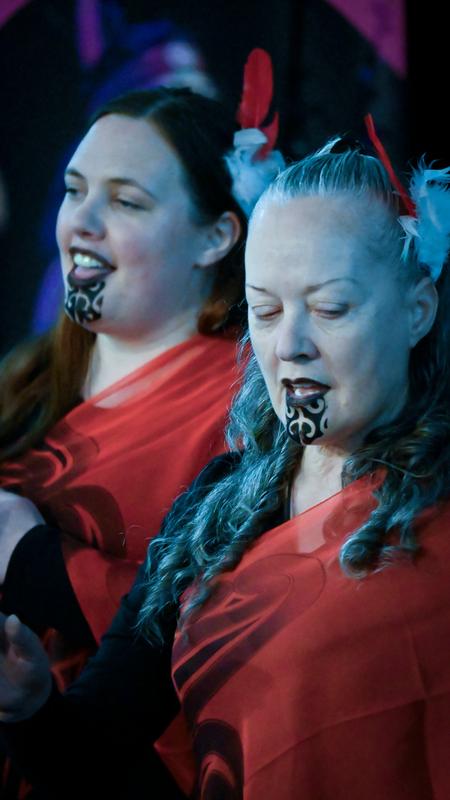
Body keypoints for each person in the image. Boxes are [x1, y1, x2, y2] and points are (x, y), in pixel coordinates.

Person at [2, 135, 450, 799]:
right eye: (265, 311)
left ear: (417, 310)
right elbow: (92, 747)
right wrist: (29, 702)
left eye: (330, 308)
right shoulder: (218, 504)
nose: (291, 346)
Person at [0, 83, 283, 797]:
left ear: (218, 235)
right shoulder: (24, 376)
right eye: (73, 190)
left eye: (126, 202)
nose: (82, 222)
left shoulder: (250, 409)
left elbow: (237, 626)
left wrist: (34, 560)